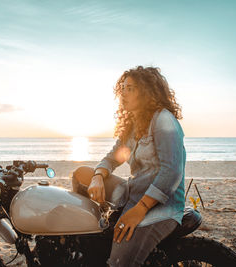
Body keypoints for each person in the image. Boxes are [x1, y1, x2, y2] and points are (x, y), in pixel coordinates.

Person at [72, 66, 186, 267]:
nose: (123, 93)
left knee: (118, 263)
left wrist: (140, 209)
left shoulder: (163, 120)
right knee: (82, 174)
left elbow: (172, 172)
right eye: (122, 88)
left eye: (130, 88)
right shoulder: (133, 126)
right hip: (132, 194)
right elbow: (112, 158)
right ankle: (91, 234)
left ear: (147, 92)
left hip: (160, 206)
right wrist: (98, 175)